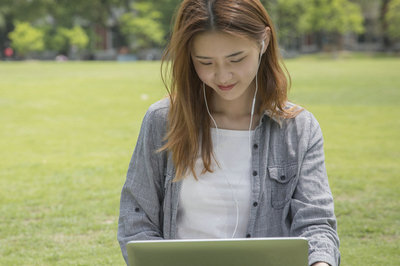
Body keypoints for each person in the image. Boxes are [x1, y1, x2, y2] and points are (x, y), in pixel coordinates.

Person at [117, 0, 340, 265]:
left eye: (236, 59)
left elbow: (316, 225)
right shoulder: (162, 120)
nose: (222, 76)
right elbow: (136, 220)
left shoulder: (299, 129)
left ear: (264, 41)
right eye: (205, 62)